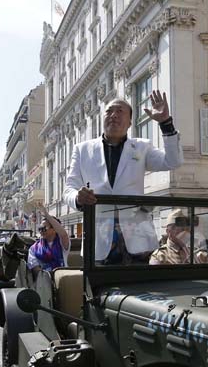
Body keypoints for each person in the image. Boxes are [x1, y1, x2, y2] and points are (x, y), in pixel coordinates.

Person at [64, 92, 183, 263]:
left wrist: (166, 124)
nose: (113, 115)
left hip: (138, 242)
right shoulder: (82, 150)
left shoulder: (142, 147)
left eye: (120, 111)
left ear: (129, 122)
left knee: (140, 288)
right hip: (99, 244)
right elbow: (68, 189)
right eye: (109, 111)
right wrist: (78, 198)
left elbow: (173, 161)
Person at [27, 205, 70, 275]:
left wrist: (47, 215)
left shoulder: (61, 243)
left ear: (54, 230)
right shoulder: (33, 248)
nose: (41, 231)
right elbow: (35, 268)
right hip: (44, 281)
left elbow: (63, 234)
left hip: (63, 277)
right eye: (40, 229)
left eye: (44, 228)